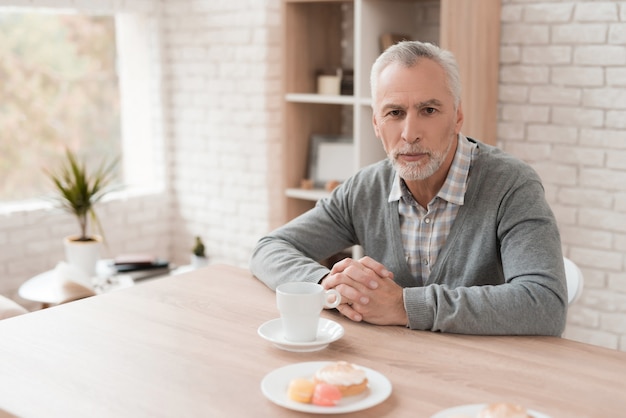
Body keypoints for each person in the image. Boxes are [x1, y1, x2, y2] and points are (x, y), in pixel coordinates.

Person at [250, 41, 567, 336]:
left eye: (429, 110)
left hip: (482, 376)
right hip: (391, 368)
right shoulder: (364, 189)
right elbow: (269, 250)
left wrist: (404, 306)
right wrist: (328, 283)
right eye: (395, 113)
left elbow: (545, 305)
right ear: (376, 123)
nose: (410, 133)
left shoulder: (512, 185)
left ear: (457, 116)